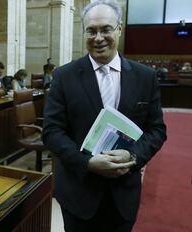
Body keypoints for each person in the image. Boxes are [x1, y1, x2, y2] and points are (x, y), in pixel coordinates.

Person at [42, 1, 166, 231]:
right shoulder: (64, 76)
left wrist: (133, 155)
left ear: (119, 29)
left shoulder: (145, 77)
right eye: (91, 30)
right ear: (84, 33)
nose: (98, 37)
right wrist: (87, 162)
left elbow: (157, 130)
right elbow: (51, 132)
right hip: (79, 192)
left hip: (123, 195)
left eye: (106, 29)